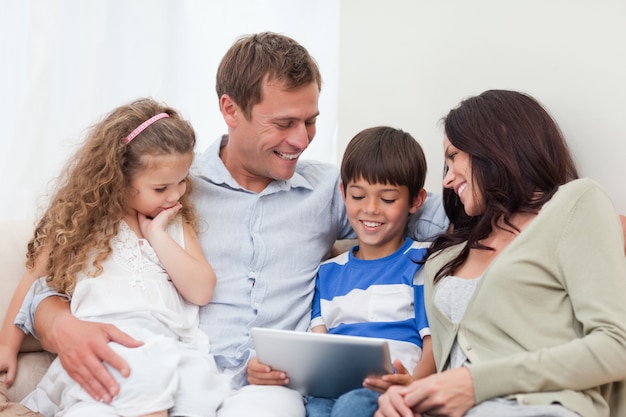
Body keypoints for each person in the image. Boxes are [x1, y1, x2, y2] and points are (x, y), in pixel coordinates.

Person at [3, 32, 450, 417]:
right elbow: (67, 251)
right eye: (284, 123)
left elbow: (438, 214)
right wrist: (55, 321)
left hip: (269, 389)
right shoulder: (170, 182)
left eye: (311, 121)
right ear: (230, 109)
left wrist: (481, 184)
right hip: (180, 370)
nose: (301, 139)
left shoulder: (335, 190)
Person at [375, 89, 626, 417]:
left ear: (496, 141)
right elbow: (453, 367)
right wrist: (411, 395)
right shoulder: (445, 258)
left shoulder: (574, 205)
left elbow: (616, 345)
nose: (447, 179)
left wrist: (475, 382)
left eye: (453, 157)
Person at [0, 98, 229, 416]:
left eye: (182, 182)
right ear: (118, 180)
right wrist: (7, 347)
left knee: (194, 400)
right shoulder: (76, 225)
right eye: (161, 188)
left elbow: (202, 290)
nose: (176, 195)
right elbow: (32, 280)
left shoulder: (175, 224)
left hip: (170, 350)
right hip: (103, 350)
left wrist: (158, 236)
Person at [300, 126, 437, 417]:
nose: (371, 209)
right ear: (343, 193)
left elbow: (434, 342)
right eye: (358, 196)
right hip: (337, 384)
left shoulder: (423, 261)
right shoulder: (327, 273)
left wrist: (415, 385)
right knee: (315, 406)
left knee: (351, 406)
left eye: (387, 199)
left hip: (392, 387)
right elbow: (320, 343)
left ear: (415, 201)